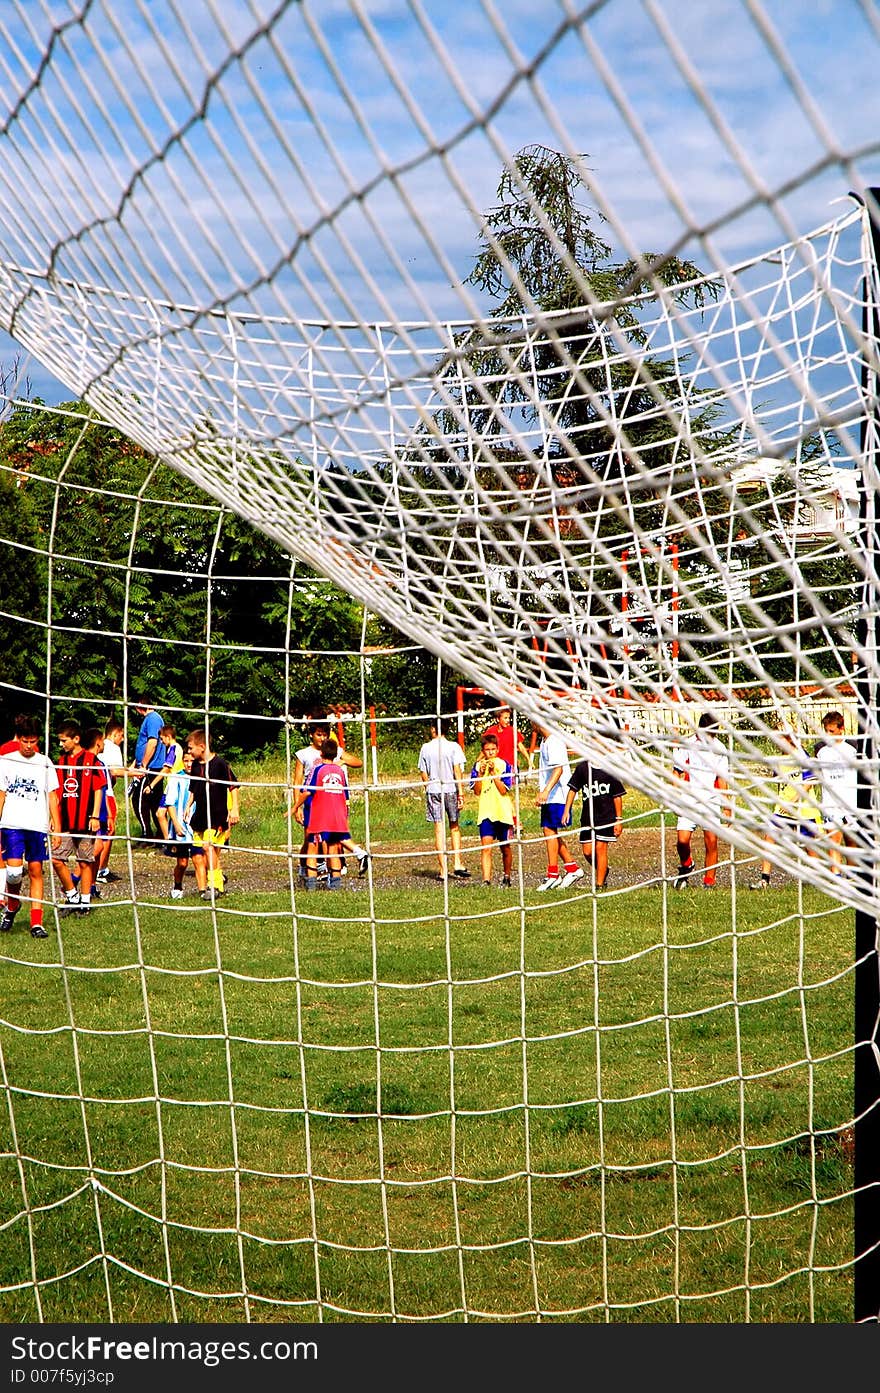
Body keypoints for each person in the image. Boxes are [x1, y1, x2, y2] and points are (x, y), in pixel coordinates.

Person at [0, 714, 61, 938]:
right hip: (12, 823)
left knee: (36, 870)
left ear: (38, 741)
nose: (28, 745)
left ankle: (37, 922)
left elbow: (52, 795)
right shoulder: (6, 761)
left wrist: (57, 825)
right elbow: (1, 793)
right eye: (25, 741)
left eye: (32, 741)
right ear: (19, 739)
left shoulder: (44, 763)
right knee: (15, 873)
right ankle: (12, 905)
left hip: (37, 824)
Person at [291, 717, 368, 880]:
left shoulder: (335, 750)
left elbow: (358, 762)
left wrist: (340, 762)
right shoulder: (304, 754)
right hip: (311, 800)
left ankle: (326, 870)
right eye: (319, 734)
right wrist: (296, 807)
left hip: (329, 800)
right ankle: (304, 866)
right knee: (310, 838)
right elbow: (298, 782)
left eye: (325, 734)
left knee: (328, 837)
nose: (322, 738)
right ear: (311, 735)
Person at [749, 727, 822, 890]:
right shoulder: (778, 760)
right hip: (782, 810)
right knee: (769, 837)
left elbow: (809, 783)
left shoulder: (802, 756)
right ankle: (764, 880)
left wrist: (793, 801)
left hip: (803, 810)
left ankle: (816, 878)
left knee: (809, 845)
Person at [52, 721, 107, 917]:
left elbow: (98, 789)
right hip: (66, 821)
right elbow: (56, 792)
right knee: (57, 859)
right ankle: (72, 895)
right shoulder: (61, 761)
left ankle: (85, 902)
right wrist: (53, 817)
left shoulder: (90, 759)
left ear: (76, 739)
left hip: (85, 821)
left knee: (85, 861)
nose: (61, 745)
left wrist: (95, 815)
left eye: (63, 740)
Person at [671, 711, 730, 890]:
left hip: (711, 801)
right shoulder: (688, 744)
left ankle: (709, 881)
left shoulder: (720, 749)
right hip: (689, 799)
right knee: (682, 840)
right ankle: (687, 865)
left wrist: (727, 806)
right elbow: (677, 771)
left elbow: (722, 779)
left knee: (711, 841)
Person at [186, 729, 240, 901]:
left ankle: (214, 885)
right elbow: (193, 789)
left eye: (190, 748)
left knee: (209, 848)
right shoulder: (195, 765)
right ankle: (218, 882)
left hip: (216, 815)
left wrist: (234, 809)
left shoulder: (220, 764)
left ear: (202, 747)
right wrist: (188, 806)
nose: (189, 752)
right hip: (199, 816)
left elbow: (233, 786)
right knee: (207, 851)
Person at [293, 738, 351, 889]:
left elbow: (306, 791)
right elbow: (345, 796)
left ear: (321, 753)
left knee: (312, 845)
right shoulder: (340, 771)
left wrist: (294, 807)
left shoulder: (317, 769)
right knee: (334, 847)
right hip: (336, 815)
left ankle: (311, 886)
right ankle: (336, 886)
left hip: (318, 813)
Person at [417, 721, 470, 880]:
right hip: (450, 789)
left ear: (433, 729)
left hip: (434, 790)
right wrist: (461, 793)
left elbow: (423, 772)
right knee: (454, 826)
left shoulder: (425, 748)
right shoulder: (454, 746)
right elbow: (457, 771)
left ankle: (442, 870)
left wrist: (428, 788)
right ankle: (457, 862)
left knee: (439, 830)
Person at [563, 757, 626, 890]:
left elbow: (617, 796)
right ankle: (603, 870)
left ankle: (599, 885)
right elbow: (573, 789)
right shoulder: (582, 768)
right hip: (588, 818)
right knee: (587, 852)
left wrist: (618, 819)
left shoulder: (610, 769)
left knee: (600, 848)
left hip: (606, 817)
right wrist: (566, 810)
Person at [534, 721, 582, 891]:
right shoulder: (545, 741)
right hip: (551, 795)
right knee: (550, 831)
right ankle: (572, 868)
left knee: (549, 830)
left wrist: (546, 791)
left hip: (558, 794)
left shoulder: (554, 741)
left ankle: (553, 874)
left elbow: (559, 770)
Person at [814, 710, 859, 874]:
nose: (828, 735)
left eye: (831, 731)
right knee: (834, 841)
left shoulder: (854, 746)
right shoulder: (820, 749)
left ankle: (853, 876)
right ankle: (837, 878)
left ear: (841, 728)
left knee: (851, 842)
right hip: (830, 803)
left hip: (850, 801)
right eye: (826, 731)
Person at [470, 732, 515, 887]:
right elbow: (476, 791)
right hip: (486, 812)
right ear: (483, 750)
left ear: (497, 749)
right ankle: (486, 880)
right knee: (486, 847)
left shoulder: (505, 765)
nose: (490, 752)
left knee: (505, 847)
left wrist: (495, 775)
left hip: (502, 811)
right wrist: (481, 774)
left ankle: (507, 876)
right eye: (487, 750)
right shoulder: (477, 767)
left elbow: (504, 790)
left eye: (493, 749)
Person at [129, 700, 167, 842]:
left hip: (150, 767)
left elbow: (152, 742)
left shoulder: (153, 719)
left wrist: (143, 764)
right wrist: (136, 763)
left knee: (139, 800)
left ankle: (148, 835)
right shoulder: (150, 719)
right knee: (153, 802)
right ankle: (160, 835)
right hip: (147, 765)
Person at [94, 717, 124, 885]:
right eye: (122, 735)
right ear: (115, 734)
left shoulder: (104, 748)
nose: (123, 739)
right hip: (107, 794)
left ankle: (102, 868)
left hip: (104, 792)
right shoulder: (112, 747)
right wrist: (136, 773)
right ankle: (99, 869)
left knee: (105, 831)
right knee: (108, 831)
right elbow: (115, 771)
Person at [164, 749, 196, 899]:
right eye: (186, 761)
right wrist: (176, 825)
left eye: (192, 761)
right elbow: (170, 803)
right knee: (183, 863)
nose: (189, 764)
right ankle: (177, 885)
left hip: (198, 826)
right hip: (181, 827)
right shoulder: (177, 778)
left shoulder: (202, 777)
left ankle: (209, 887)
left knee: (201, 858)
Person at [153, 724, 185, 843]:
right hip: (173, 784)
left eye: (162, 739)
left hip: (174, 785)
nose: (161, 742)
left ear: (168, 736)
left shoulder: (174, 748)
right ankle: (170, 840)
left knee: (161, 813)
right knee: (162, 813)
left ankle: (170, 842)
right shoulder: (176, 748)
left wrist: (152, 784)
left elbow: (166, 768)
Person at [482, 705, 528, 771]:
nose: (508, 720)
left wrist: (529, 760)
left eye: (509, 718)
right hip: (495, 765)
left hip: (510, 765)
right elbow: (485, 748)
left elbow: (521, 747)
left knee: (511, 781)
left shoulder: (512, 731)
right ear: (498, 719)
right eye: (505, 718)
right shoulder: (491, 731)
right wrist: (478, 761)